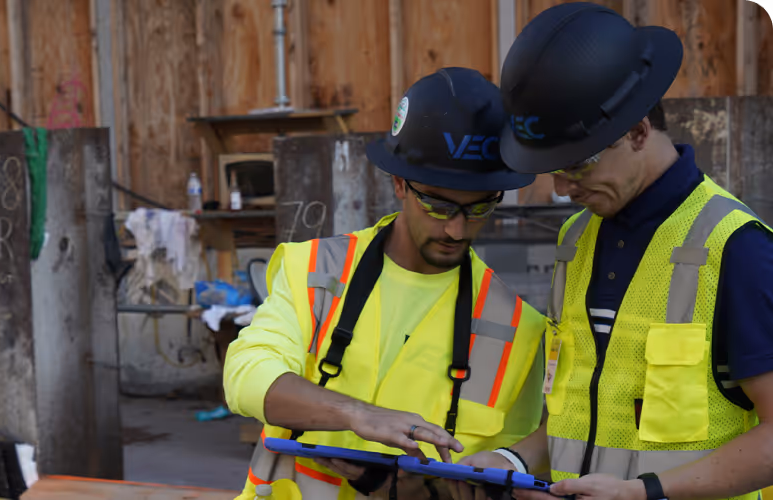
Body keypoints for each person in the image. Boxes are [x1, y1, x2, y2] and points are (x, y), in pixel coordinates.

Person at [451, 4, 773, 500]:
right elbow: (577, 419)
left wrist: (645, 493)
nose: (560, 188)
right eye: (551, 168)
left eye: (576, 166)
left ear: (639, 132)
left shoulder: (737, 249)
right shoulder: (576, 241)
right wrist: (512, 460)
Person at [224, 67, 549, 499]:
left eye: (480, 208)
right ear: (399, 183)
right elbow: (245, 374)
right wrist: (355, 414)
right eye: (438, 205)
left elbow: (507, 471)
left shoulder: (518, 327)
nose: (457, 230)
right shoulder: (316, 270)